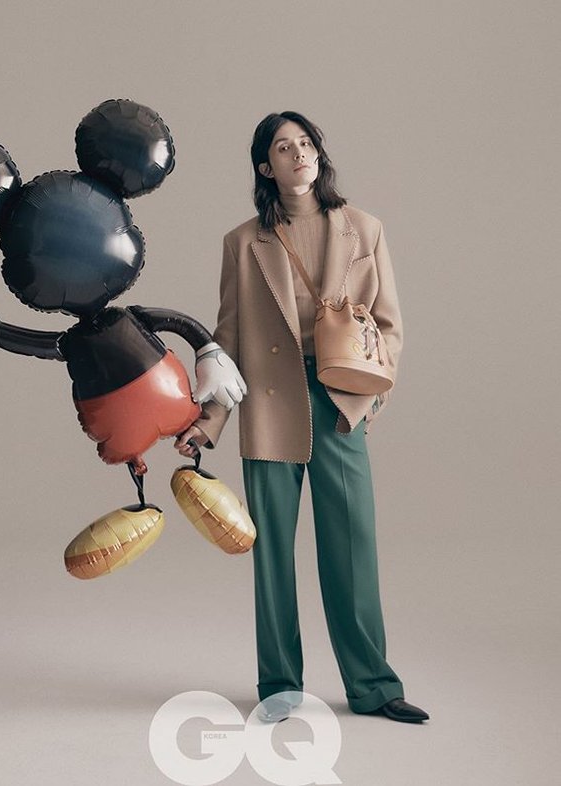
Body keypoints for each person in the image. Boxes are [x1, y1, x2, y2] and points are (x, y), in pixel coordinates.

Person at [176, 111, 429, 724]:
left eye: (306, 143)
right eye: (283, 148)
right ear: (266, 166)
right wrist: (208, 422)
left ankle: (374, 686)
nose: (298, 154)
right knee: (272, 556)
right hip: (268, 404)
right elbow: (228, 340)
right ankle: (280, 688)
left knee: (352, 548)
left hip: (339, 403)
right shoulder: (244, 242)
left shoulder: (364, 229)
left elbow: (388, 326)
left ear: (320, 154)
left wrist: (367, 398)